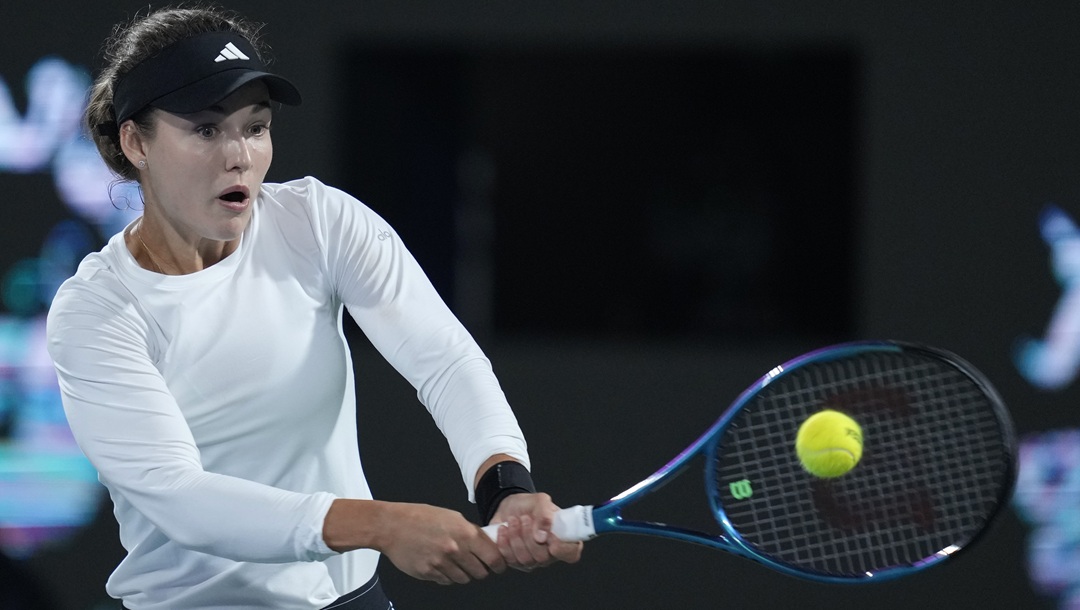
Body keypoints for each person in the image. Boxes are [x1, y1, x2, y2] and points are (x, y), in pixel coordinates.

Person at [45, 5, 581, 609]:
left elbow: (444, 360)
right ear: (135, 142)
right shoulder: (95, 312)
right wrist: (379, 525)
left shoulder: (320, 222)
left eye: (255, 126)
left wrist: (505, 484)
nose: (239, 155)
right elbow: (180, 496)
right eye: (205, 129)